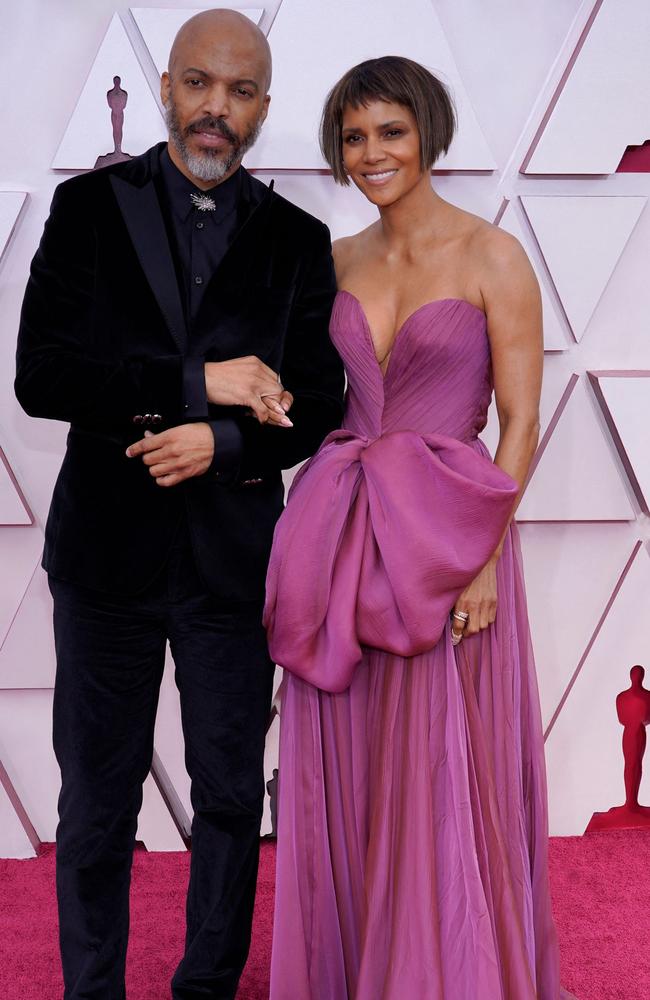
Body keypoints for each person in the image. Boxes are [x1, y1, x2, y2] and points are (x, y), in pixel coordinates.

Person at [15, 9, 344, 999]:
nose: (215, 109)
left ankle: (205, 985)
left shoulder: (297, 237)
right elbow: (43, 375)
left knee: (233, 796)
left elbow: (319, 400)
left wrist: (222, 439)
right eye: (199, 84)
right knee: (97, 802)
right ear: (164, 88)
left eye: (238, 92)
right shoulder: (88, 208)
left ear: (262, 110)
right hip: (104, 562)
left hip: (231, 561)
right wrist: (198, 384)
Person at [265, 56, 575, 999]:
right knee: (350, 755)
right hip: (346, 535)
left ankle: (445, 972)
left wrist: (479, 553)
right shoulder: (337, 261)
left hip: (449, 540)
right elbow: (321, 397)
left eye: (390, 132)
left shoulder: (493, 255)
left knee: (442, 765)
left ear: (428, 134)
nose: (371, 154)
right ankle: (357, 967)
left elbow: (520, 421)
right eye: (353, 138)